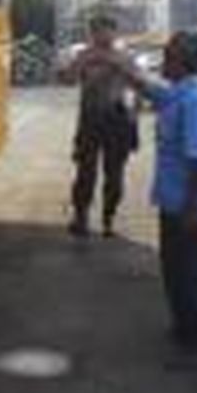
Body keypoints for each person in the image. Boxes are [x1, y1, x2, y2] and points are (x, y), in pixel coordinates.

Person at [110, 32, 197, 369]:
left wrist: (190, 208)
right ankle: (184, 330)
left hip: (190, 206)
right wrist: (122, 69)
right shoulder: (180, 92)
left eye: (168, 55)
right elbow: (153, 91)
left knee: (187, 274)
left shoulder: (195, 100)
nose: (163, 61)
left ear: (182, 61)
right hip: (176, 201)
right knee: (175, 270)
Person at [65, 15, 139, 238]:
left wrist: (118, 67)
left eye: (107, 30)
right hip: (89, 118)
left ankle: (109, 219)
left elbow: (138, 85)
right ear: (91, 34)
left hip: (117, 119)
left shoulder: (124, 57)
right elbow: (68, 80)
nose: (102, 35)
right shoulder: (83, 55)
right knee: (85, 171)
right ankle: (81, 217)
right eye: (96, 31)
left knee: (114, 173)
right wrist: (81, 64)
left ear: (114, 33)